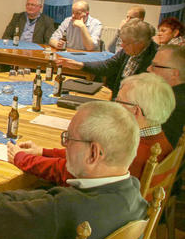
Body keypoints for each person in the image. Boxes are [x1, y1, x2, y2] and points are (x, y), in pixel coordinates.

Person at [0, 101, 147, 239]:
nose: (65, 146)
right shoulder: (135, 194)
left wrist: (41, 194)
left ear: (93, 153)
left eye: (69, 138)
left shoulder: (64, 208)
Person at [9, 73, 175, 185]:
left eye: (119, 101)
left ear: (135, 111)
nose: (114, 105)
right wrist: (43, 151)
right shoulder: (157, 139)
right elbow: (83, 154)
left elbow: (70, 172)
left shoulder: (133, 152)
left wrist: (21, 158)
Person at [57, 18, 157, 98]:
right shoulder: (127, 51)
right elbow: (108, 66)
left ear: (140, 43)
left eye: (125, 42)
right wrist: (81, 65)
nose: (122, 45)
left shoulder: (156, 59)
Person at [149, 45, 185, 148]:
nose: (148, 69)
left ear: (174, 73)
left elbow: (157, 148)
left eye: (155, 66)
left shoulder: (170, 104)